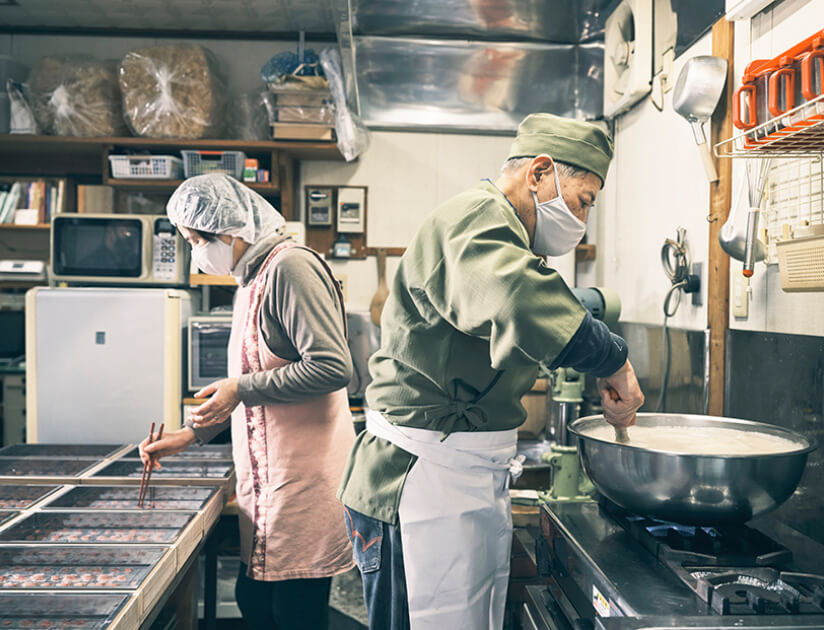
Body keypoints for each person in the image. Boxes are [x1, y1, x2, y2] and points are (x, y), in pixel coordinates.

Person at [337, 113, 645, 630]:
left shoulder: (508, 236)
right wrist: (613, 359)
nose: (582, 220)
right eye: (583, 199)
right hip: (418, 478)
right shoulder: (477, 218)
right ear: (540, 172)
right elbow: (519, 302)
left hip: (458, 474)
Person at [140, 173, 355, 630]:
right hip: (269, 479)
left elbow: (334, 368)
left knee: (291, 613)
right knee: (255, 601)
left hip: (303, 481)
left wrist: (240, 389)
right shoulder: (250, 279)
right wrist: (190, 434)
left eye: (198, 239)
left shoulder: (290, 267)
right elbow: (252, 382)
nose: (195, 251)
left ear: (231, 230)